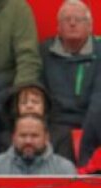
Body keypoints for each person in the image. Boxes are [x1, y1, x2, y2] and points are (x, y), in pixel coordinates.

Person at [40, 1, 98, 130]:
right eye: (67, 19)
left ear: (90, 26)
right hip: (53, 125)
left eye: (79, 19)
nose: (72, 23)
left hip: (93, 124)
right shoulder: (44, 52)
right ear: (58, 27)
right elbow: (39, 94)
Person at [0, 113, 77, 176]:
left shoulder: (64, 169)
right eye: (23, 135)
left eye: (34, 136)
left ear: (46, 137)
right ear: (13, 137)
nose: (28, 141)